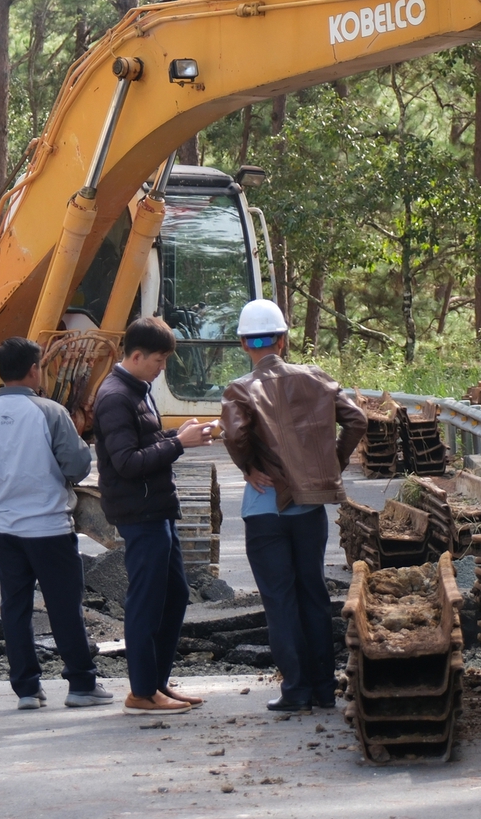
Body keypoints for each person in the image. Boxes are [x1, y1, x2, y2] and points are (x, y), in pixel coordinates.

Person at [219, 299, 366, 713]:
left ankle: (296, 690)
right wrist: (331, 464)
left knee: (280, 601)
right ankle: (323, 688)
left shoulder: (239, 389)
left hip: (264, 512)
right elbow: (357, 420)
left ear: (244, 344)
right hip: (309, 509)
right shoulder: (316, 377)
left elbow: (235, 434)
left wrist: (248, 467)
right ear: (283, 340)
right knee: (313, 594)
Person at [0, 336, 113, 711]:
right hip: (49, 528)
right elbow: (77, 465)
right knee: (64, 607)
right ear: (33, 370)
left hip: (4, 531)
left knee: (15, 607)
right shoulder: (51, 413)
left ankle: (27, 689)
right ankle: (81, 684)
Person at [92, 317, 214, 714]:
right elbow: (127, 462)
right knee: (146, 601)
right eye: (159, 361)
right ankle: (142, 691)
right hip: (139, 513)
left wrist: (180, 435)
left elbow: (143, 441)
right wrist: (178, 444)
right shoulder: (115, 396)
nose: (162, 368)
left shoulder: (137, 390)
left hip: (157, 509)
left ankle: (158, 683)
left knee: (175, 594)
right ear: (136, 356)